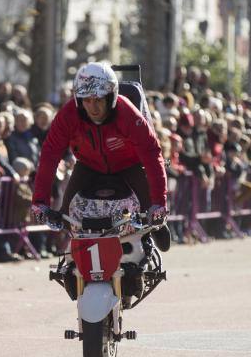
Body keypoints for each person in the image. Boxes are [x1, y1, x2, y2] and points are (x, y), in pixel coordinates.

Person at [30, 62, 170, 250]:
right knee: (66, 213)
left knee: (149, 208)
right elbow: (49, 155)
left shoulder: (126, 112)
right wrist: (40, 202)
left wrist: (158, 203)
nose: (93, 108)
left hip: (128, 164)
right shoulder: (68, 114)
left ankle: (156, 229)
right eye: (86, 100)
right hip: (88, 165)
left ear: (111, 97)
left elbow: (152, 154)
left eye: (98, 100)